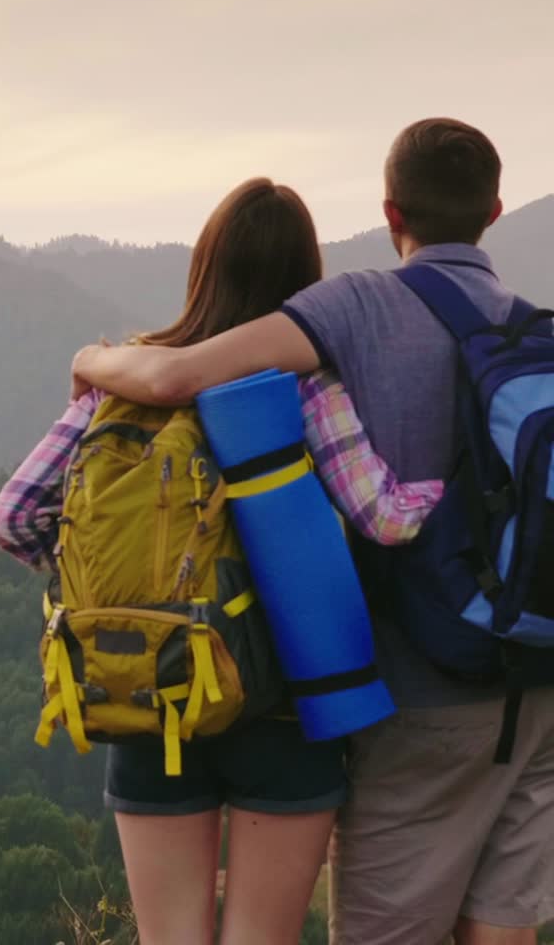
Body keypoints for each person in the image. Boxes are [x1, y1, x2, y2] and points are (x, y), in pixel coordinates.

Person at [72, 119, 554, 945]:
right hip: (541, 679)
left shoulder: (357, 307)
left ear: (389, 209)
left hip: (426, 696)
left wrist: (92, 359)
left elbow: (176, 374)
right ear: (497, 210)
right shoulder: (535, 330)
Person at [0, 177, 442, 945]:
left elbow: (15, 518)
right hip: (284, 705)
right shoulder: (307, 384)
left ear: (202, 266)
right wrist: (451, 480)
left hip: (151, 690)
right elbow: (383, 517)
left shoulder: (123, 379)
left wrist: (112, 578)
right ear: (306, 282)